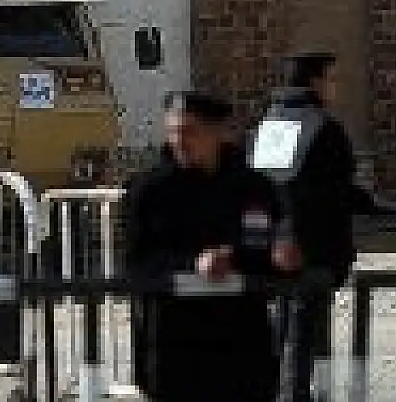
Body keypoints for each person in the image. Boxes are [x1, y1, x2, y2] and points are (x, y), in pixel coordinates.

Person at [249, 51, 396, 402]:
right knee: (304, 343)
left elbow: (262, 188)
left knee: (279, 337)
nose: (335, 87)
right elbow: (336, 188)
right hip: (313, 251)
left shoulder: (267, 126)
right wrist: (377, 208)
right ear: (316, 81)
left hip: (271, 250)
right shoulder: (323, 128)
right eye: (332, 79)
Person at [123, 91, 287, 402]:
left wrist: (260, 258)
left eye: (190, 132)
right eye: (173, 132)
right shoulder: (149, 191)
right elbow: (137, 264)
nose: (179, 141)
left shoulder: (254, 188)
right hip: (176, 347)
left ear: (219, 133)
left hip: (243, 344)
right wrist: (192, 264)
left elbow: (266, 251)